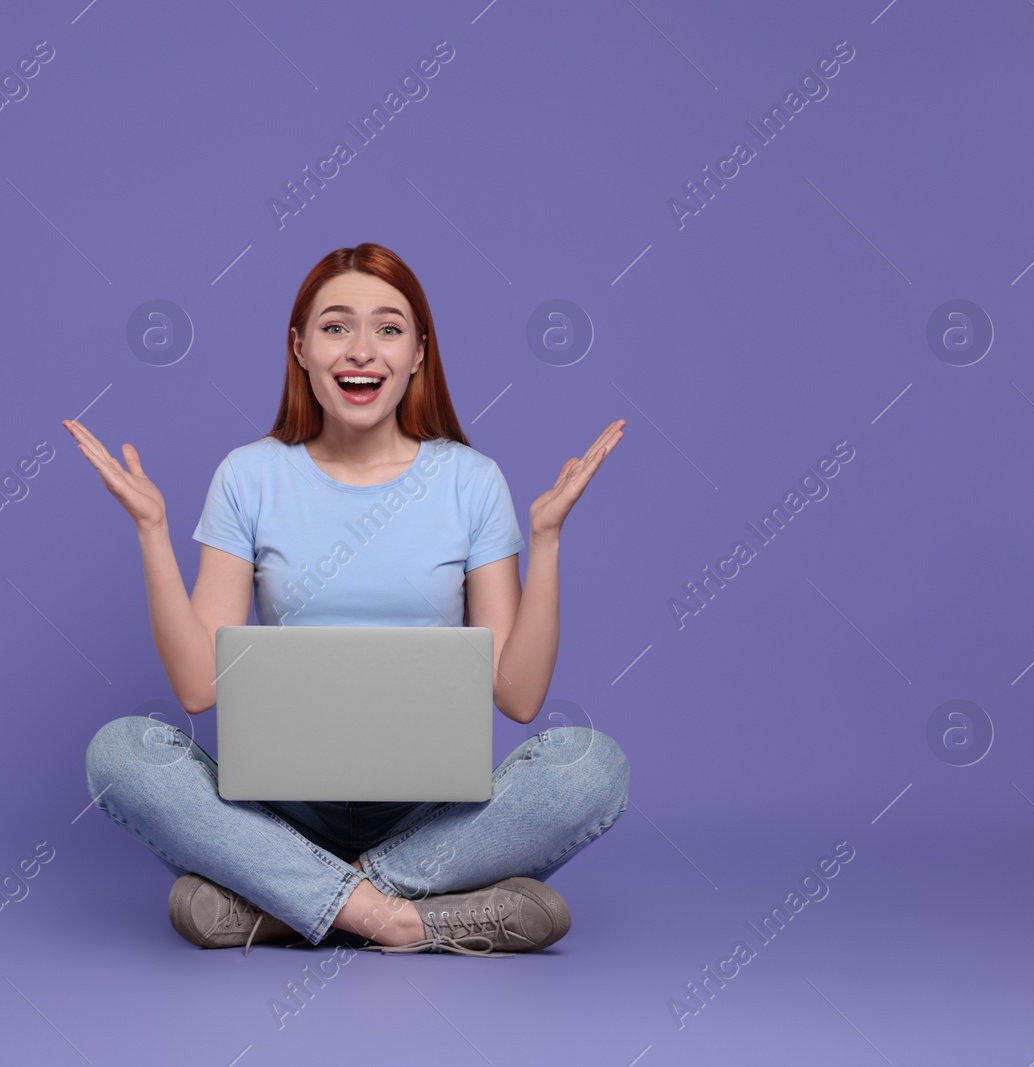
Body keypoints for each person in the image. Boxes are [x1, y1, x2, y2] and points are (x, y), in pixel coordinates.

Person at [66, 242, 628, 956]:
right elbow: (198, 687)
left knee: (593, 767)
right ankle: (403, 918)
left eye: (389, 328)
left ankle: (284, 902)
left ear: (420, 352)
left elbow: (517, 697)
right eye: (336, 327)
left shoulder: (470, 480)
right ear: (299, 347)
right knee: (120, 753)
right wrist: (151, 532)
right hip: (282, 812)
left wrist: (545, 541)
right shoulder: (250, 476)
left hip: (430, 815)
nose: (362, 349)